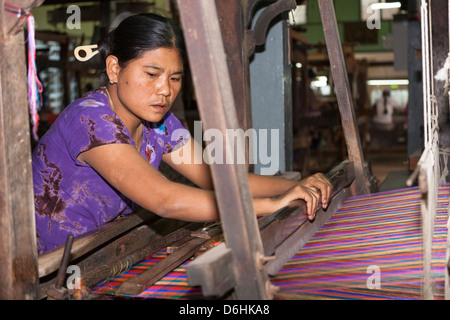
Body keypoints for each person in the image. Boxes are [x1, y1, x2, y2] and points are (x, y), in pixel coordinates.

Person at [32, 13, 332, 254]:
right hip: (53, 266)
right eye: (151, 74)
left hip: (102, 249)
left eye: (174, 78)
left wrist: (292, 185)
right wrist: (271, 206)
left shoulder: (159, 123)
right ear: (113, 69)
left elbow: (213, 177)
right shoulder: (90, 120)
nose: (165, 90)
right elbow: (164, 199)